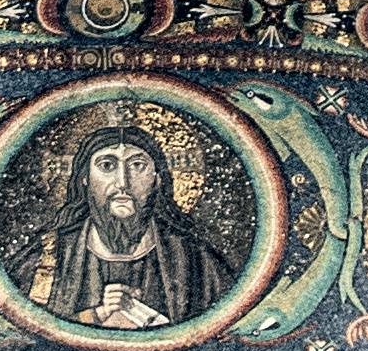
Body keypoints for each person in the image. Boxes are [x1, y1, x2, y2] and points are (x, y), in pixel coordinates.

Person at [18, 112, 235, 331]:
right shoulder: (48, 256)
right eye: (107, 165)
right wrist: (96, 314)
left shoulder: (196, 260)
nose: (122, 182)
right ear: (85, 178)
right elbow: (22, 326)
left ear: (157, 179)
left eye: (137, 165)